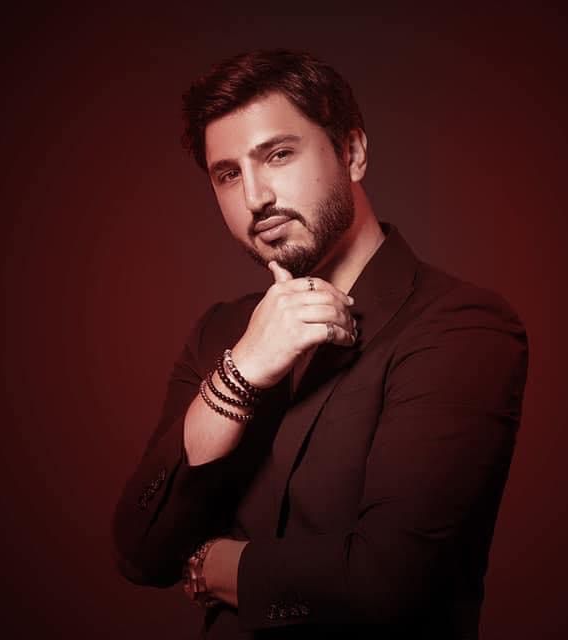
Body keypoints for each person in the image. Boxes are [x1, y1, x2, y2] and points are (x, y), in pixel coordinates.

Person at [112, 48, 529, 638]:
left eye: (278, 155)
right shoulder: (222, 333)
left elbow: (389, 585)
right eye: (227, 174)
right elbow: (140, 551)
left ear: (352, 152)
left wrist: (217, 566)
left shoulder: (460, 325)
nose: (254, 197)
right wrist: (240, 373)